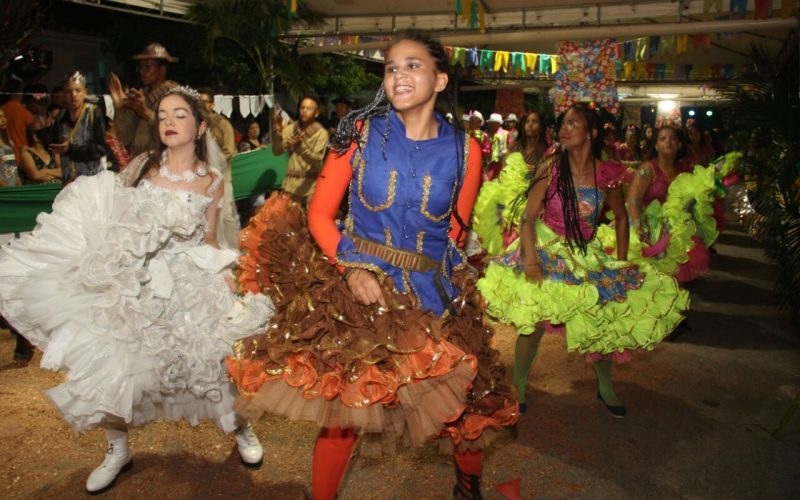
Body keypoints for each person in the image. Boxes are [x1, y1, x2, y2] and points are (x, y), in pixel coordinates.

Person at [227, 30, 517, 500]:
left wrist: (447, 287)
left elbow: (456, 234)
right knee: (347, 413)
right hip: (361, 290)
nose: (398, 75)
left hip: (432, 296)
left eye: (412, 65)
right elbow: (320, 215)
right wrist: (352, 269)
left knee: (466, 403)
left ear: (440, 80)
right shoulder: (358, 134)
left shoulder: (468, 151)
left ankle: (469, 487)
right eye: (391, 67)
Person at [0, 85, 273, 493]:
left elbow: (210, 240)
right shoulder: (142, 166)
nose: (169, 122)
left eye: (180, 115)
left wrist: (226, 277)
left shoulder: (213, 180)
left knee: (215, 359)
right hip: (139, 281)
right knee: (117, 362)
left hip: (190, 284)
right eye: (162, 115)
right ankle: (117, 449)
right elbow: (113, 218)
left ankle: (240, 429)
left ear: (200, 126)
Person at [477, 103, 689, 417]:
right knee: (532, 321)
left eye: (573, 124)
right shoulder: (550, 168)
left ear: (590, 132)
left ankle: (605, 387)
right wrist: (532, 262)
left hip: (585, 253)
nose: (564, 129)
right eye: (562, 124)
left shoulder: (608, 174)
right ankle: (519, 385)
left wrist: (619, 261)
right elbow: (527, 218)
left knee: (603, 319)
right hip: (545, 248)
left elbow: (619, 218)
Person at [108, 42, 179, 158]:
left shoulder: (176, 95)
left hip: (164, 163)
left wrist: (146, 113)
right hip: (139, 163)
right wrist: (120, 109)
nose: (142, 71)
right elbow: (124, 138)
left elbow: (177, 133)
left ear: (162, 69)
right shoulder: (140, 96)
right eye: (140, 67)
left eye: (147, 67)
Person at [49, 71, 106, 182]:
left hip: (92, 180)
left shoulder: (94, 112)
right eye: (68, 91)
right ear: (64, 94)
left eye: (78, 90)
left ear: (85, 92)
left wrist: (71, 148)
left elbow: (101, 149)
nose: (73, 95)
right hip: (69, 179)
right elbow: (52, 142)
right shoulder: (61, 116)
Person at [271, 95, 329, 203]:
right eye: (302, 108)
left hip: (310, 187)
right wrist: (278, 135)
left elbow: (316, 159)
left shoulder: (321, 133)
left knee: (308, 218)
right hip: (290, 185)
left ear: (316, 113)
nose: (304, 111)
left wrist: (300, 147)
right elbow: (276, 152)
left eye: (309, 108)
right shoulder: (290, 129)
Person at [0, 79, 33, 165]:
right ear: (20, 92)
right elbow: (31, 137)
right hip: (22, 159)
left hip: (5, 157)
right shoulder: (25, 112)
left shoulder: (2, 109)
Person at [485, 112, 510, 180]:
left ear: (498, 124)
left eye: (494, 123)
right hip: (490, 163)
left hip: (502, 163)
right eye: (491, 123)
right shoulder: (487, 135)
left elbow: (510, 148)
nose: (491, 125)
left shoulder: (506, 133)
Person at [0, 109, 21, 187]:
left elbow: (13, 167)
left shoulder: (8, 141)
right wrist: (7, 190)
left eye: (4, 116)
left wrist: (19, 186)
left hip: (14, 187)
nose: (3, 120)